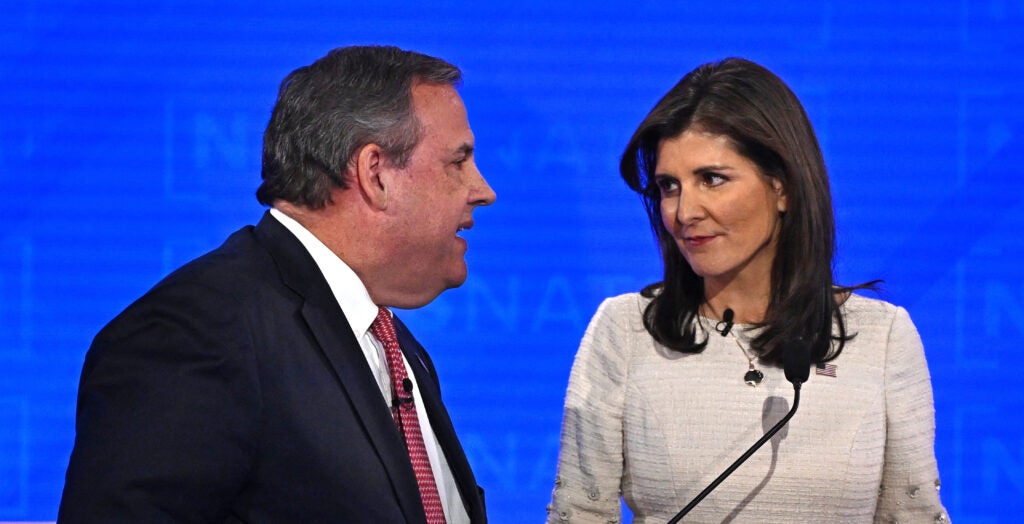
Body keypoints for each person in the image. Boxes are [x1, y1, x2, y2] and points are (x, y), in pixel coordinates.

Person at [58, 45, 495, 523]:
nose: (483, 190)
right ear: (376, 174)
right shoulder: (197, 331)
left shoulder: (396, 348)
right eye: (458, 162)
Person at [547, 58, 948, 522]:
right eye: (668, 186)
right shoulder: (625, 332)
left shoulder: (882, 338)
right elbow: (577, 514)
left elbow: (913, 515)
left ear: (783, 188)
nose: (683, 211)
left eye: (711, 179)